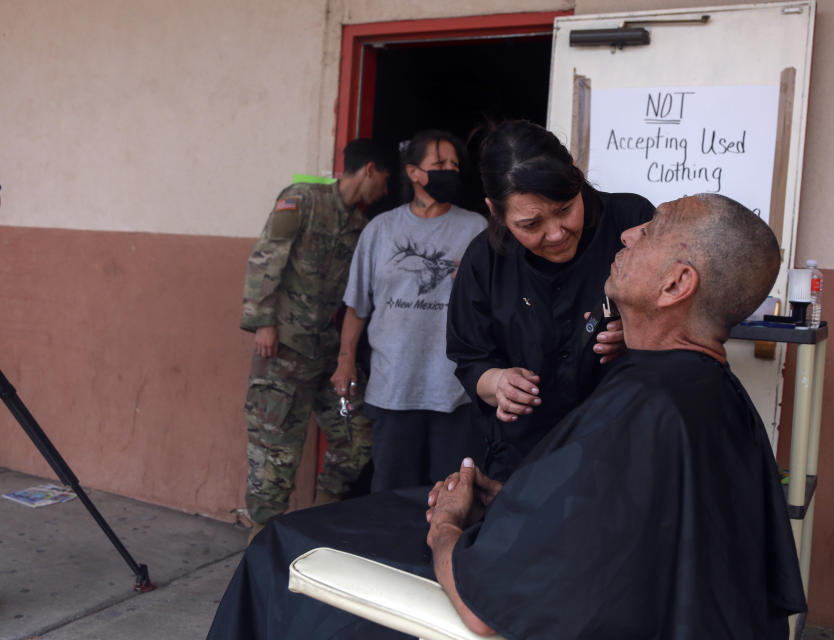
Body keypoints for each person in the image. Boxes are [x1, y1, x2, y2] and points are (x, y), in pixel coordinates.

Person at [207, 193, 805, 640]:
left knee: (283, 547)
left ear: (676, 284)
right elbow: (631, 520)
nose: (625, 235)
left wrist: (448, 525)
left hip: (518, 595)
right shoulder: (714, 396)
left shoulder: (648, 404)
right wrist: (522, 496)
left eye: (649, 233)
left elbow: (487, 609)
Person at [447, 119, 656, 480]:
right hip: (521, 460)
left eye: (565, 208)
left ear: (575, 177)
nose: (557, 233)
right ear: (495, 211)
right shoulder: (484, 261)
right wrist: (498, 382)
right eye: (531, 224)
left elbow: (681, 315)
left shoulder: (631, 224)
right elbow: (470, 359)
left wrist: (642, 334)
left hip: (622, 452)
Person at [241, 138, 390, 541]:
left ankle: (318, 525)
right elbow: (267, 255)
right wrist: (264, 322)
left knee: (357, 436)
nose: (386, 192)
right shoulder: (302, 199)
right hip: (283, 348)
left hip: (326, 354)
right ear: (371, 170)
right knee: (275, 453)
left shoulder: (359, 226)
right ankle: (260, 540)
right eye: (386, 180)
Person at [332, 130, 487, 492]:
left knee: (450, 491)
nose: (450, 170)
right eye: (440, 164)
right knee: (390, 490)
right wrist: (345, 360)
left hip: (453, 387)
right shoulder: (380, 230)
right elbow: (358, 305)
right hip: (393, 385)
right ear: (414, 172)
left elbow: (493, 306)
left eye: (454, 164)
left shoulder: (477, 229)